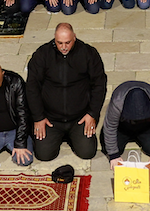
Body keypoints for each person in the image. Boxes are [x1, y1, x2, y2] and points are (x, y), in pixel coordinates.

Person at [26, 23, 107, 161]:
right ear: (54, 39)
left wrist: (92, 113)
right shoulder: (42, 54)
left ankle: (73, 135)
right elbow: (32, 87)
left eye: (67, 42)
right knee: (44, 155)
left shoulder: (88, 53)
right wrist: (38, 117)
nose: (64, 47)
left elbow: (99, 85)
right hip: (50, 118)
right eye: (59, 43)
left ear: (74, 37)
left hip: (79, 118)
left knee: (87, 152)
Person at [103, 81, 150, 170]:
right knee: (109, 147)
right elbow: (110, 127)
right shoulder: (117, 103)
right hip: (122, 128)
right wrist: (114, 155)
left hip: (145, 128)